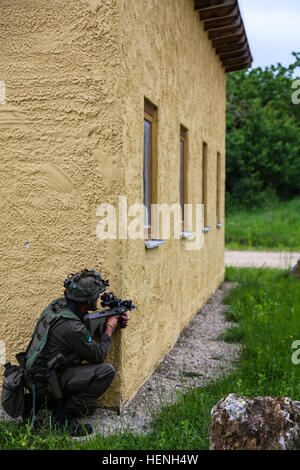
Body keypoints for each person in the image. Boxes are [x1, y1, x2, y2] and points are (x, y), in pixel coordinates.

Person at [23, 269, 128, 437]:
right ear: (86, 301)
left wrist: (108, 318)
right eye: (96, 296)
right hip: (46, 382)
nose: (98, 299)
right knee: (106, 371)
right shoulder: (72, 328)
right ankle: (59, 420)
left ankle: (48, 403)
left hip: (38, 375)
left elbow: (82, 325)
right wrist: (109, 328)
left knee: (89, 406)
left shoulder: (59, 306)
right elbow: (98, 355)